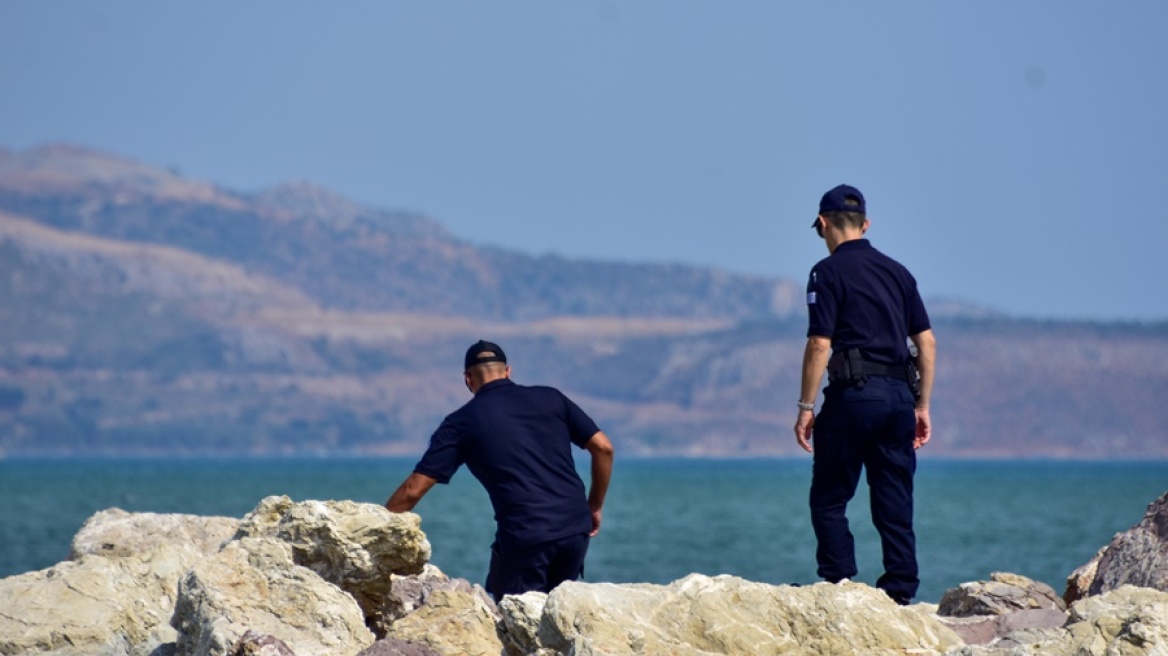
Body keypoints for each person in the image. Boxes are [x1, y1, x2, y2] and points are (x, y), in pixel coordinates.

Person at [793, 184, 936, 606]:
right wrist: (922, 405)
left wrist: (805, 407)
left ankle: (839, 587)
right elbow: (926, 343)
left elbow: (820, 344)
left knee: (830, 497)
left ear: (822, 224)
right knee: (894, 499)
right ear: (866, 224)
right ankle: (899, 593)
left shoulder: (826, 272)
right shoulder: (899, 272)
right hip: (898, 400)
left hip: (852, 398)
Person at [386, 340, 615, 601]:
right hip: (575, 530)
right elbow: (604, 448)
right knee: (554, 618)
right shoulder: (551, 398)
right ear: (508, 371)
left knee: (511, 624)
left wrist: (375, 528)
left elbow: (414, 489)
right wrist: (594, 505)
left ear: (468, 379)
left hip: (526, 537)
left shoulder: (461, 423)